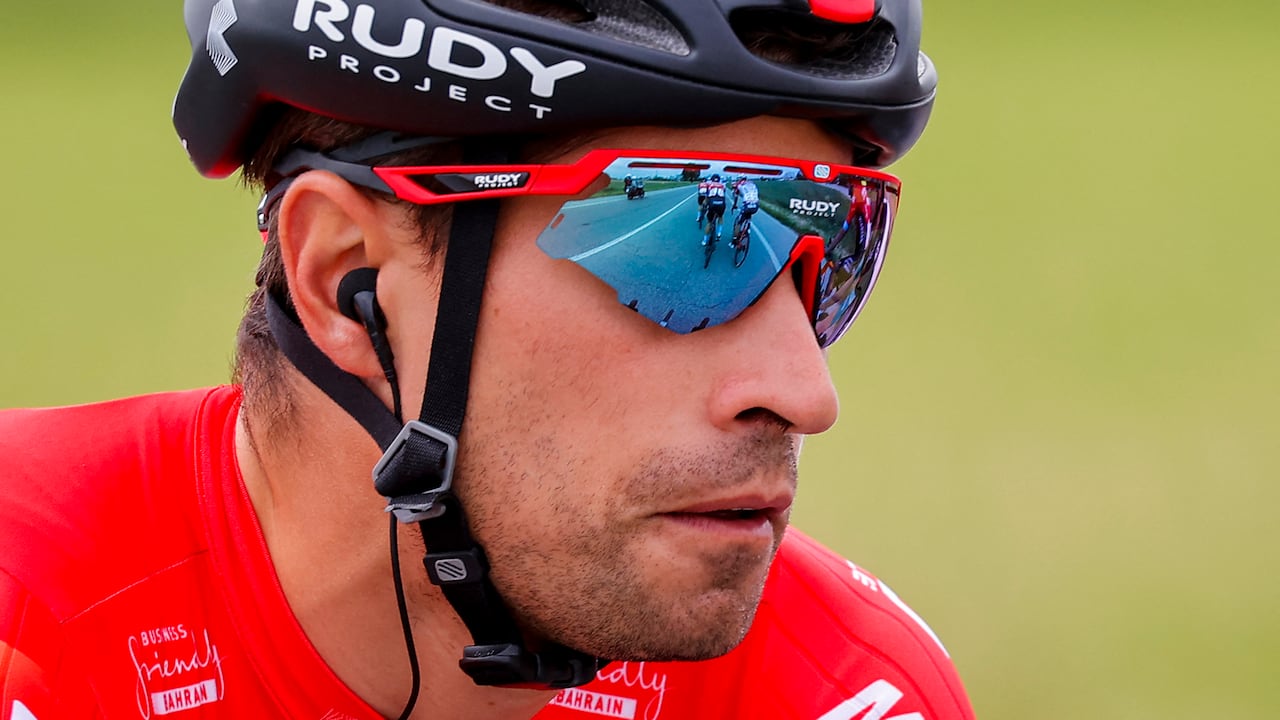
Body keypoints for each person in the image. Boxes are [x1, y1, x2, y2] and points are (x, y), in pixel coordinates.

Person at [0, 1, 973, 719]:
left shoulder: (844, 695)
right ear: (349, 278)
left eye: (830, 247)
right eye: (690, 240)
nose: (804, 391)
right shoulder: (25, 632)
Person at [700, 173, 729, 245]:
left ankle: (704, 241)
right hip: (721, 204)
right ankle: (719, 233)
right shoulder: (722, 185)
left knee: (709, 223)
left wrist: (705, 205)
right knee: (720, 217)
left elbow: (707, 197)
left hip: (712, 203)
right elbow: (723, 195)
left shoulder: (709, 185)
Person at [731, 178, 761, 248]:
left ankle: (734, 241)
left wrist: (734, 205)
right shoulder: (753, 185)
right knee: (749, 214)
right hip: (756, 206)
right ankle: (748, 227)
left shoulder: (739, 185)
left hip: (747, 206)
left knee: (739, 223)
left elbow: (736, 197)